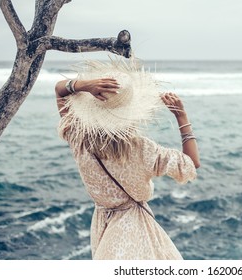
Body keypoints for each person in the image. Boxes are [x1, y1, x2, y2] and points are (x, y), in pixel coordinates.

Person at [55, 60, 200, 260]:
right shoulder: (143, 149)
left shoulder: (78, 137)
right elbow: (191, 163)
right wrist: (182, 117)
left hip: (103, 224)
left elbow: (59, 90)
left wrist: (84, 86)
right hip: (137, 227)